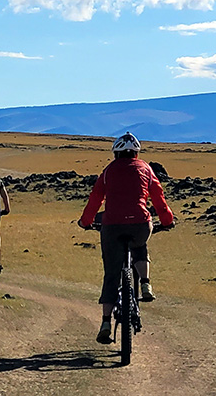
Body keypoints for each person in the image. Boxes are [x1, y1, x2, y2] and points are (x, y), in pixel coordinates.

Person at [77, 132, 175, 345]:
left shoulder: (108, 171)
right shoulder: (146, 169)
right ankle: (146, 283)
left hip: (111, 226)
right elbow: (159, 198)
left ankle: (105, 322)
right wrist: (167, 221)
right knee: (140, 243)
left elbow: (95, 199)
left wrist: (86, 222)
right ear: (136, 153)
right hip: (140, 223)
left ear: (116, 154)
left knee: (111, 273)